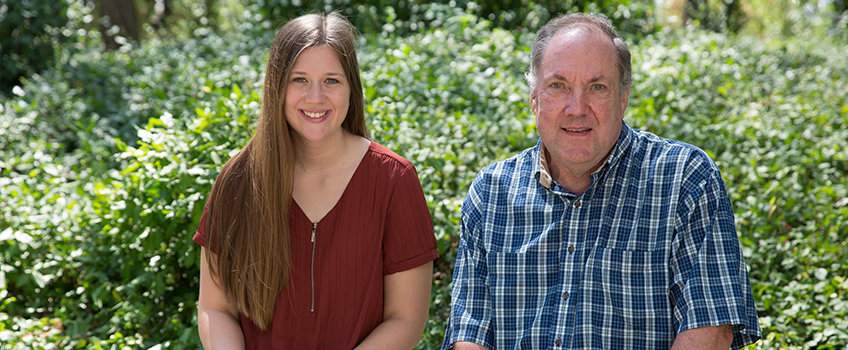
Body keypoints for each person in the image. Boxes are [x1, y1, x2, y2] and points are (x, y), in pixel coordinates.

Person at [442, 12, 761, 350]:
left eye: (597, 87)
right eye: (558, 86)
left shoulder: (685, 178)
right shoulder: (491, 192)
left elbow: (709, 331)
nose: (576, 108)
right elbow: (470, 334)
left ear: (622, 99)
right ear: (534, 99)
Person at [194, 13, 439, 349]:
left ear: (352, 88)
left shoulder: (394, 180)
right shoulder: (239, 180)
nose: (315, 97)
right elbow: (215, 307)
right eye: (299, 80)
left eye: (331, 81)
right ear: (276, 87)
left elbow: (406, 319)